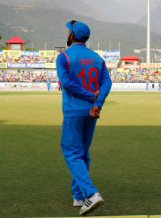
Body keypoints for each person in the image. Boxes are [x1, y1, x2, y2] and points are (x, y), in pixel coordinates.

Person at [56, 20, 112, 216]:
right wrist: (97, 103)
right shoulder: (97, 57)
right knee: (83, 154)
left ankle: (91, 193)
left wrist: (91, 97)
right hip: (92, 113)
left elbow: (67, 83)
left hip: (73, 111)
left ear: (72, 35)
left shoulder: (64, 56)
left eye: (68, 32)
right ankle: (79, 196)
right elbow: (107, 82)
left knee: (71, 152)